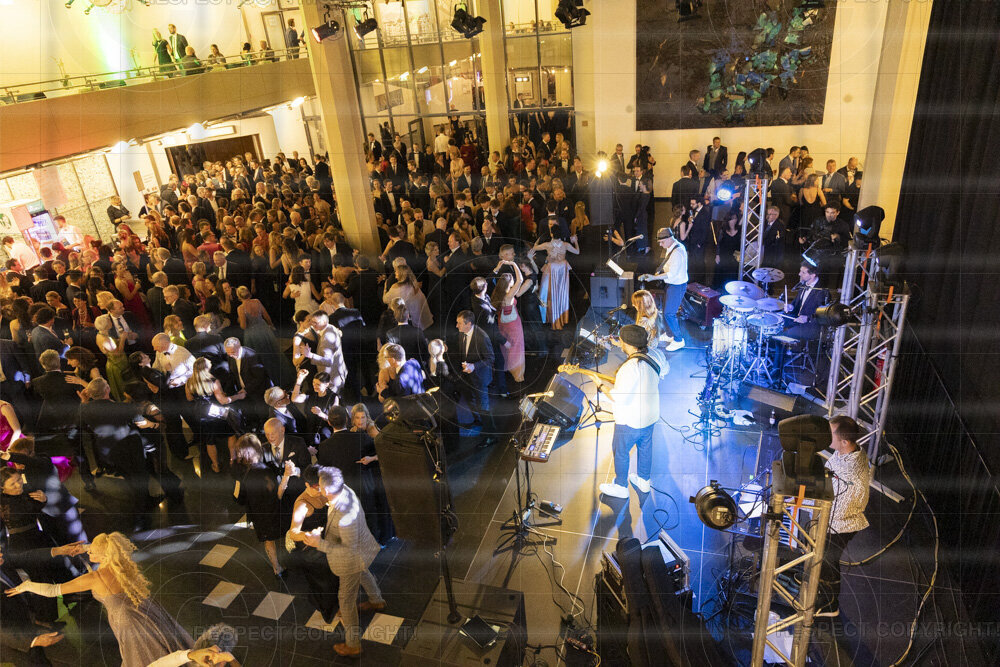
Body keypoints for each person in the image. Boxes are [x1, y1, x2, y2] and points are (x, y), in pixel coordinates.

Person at [7, 532, 194, 666]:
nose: (88, 553)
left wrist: (27, 586)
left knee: (141, 656)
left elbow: (53, 590)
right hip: (143, 609)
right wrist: (85, 548)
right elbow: (103, 549)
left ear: (103, 556)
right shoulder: (120, 562)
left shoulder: (95, 578)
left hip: (126, 621)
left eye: (91, 552)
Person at [290, 466, 386, 658]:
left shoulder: (344, 514)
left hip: (350, 557)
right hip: (361, 548)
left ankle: (354, 645)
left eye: (320, 488)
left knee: (346, 601)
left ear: (326, 489)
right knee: (363, 572)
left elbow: (348, 549)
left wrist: (319, 542)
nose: (318, 491)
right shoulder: (344, 489)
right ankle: (377, 601)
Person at [596, 325, 661, 500]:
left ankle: (620, 487)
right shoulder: (652, 358)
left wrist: (600, 385)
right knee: (645, 448)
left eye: (621, 341)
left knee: (621, 451)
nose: (621, 343)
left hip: (631, 421)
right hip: (650, 416)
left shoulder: (628, 368)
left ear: (628, 344)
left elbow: (619, 397)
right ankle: (644, 481)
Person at [818, 416, 871, 617]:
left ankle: (830, 605)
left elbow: (835, 514)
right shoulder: (846, 450)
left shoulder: (851, 477)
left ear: (845, 441)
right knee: (824, 557)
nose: (826, 436)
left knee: (828, 560)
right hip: (837, 514)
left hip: (841, 525)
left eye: (830, 434)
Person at [231, 434, 288, 579]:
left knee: (269, 540)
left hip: (257, 514)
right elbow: (277, 494)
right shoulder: (265, 470)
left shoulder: (238, 470)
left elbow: (238, 499)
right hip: (273, 510)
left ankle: (277, 568)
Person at [450, 310, 497, 446]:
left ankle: (491, 436)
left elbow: (490, 358)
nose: (457, 326)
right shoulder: (462, 333)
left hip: (480, 378)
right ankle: (478, 420)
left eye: (459, 323)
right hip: (467, 377)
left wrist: (474, 366)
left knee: (483, 406)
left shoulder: (482, 337)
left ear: (468, 324)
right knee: (471, 401)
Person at [638, 227, 688, 351]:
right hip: (671, 285)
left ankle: (679, 340)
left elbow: (671, 274)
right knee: (666, 311)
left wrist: (653, 278)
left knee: (669, 313)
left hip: (677, 286)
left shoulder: (678, 252)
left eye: (662, 242)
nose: (660, 245)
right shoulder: (671, 247)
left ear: (669, 238)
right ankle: (670, 334)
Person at [529, 229, 579, 330]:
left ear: (551, 234)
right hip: (562, 269)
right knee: (561, 293)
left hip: (551, 268)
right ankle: (561, 317)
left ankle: (549, 317)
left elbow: (534, 247)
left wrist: (538, 240)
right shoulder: (565, 245)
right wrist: (575, 241)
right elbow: (577, 252)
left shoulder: (547, 245)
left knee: (548, 293)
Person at [491, 259, 525, 384]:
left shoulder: (497, 293)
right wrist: (513, 264)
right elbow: (520, 280)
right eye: (511, 280)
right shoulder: (509, 296)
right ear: (509, 283)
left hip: (502, 324)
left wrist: (497, 269)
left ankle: (509, 370)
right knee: (516, 347)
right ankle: (517, 374)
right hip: (513, 324)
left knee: (507, 347)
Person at [783, 262, 828, 342]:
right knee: (775, 323)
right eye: (800, 271)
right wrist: (791, 307)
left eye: (803, 272)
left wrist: (807, 318)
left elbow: (824, 315)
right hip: (797, 320)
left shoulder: (822, 291)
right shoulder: (803, 285)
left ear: (813, 275)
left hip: (810, 325)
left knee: (784, 335)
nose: (799, 274)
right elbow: (796, 304)